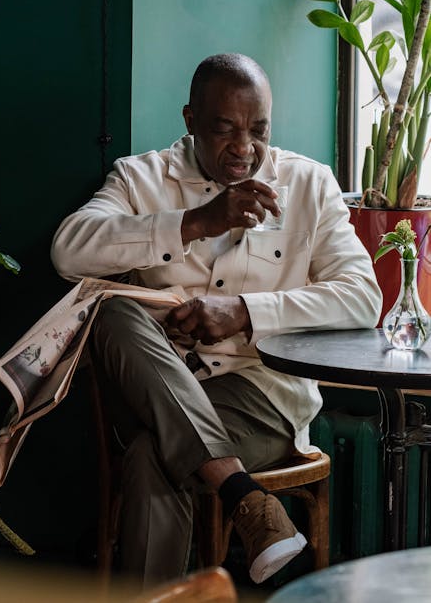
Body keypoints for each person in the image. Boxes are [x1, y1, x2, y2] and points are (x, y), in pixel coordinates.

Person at [51, 53, 381, 587]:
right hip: (155, 382)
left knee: (150, 456)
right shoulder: (140, 178)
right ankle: (244, 498)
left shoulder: (311, 184)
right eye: (225, 130)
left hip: (262, 394)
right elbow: (68, 251)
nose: (244, 148)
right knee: (113, 311)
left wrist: (246, 314)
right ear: (189, 120)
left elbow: (363, 297)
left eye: (258, 130)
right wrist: (195, 222)